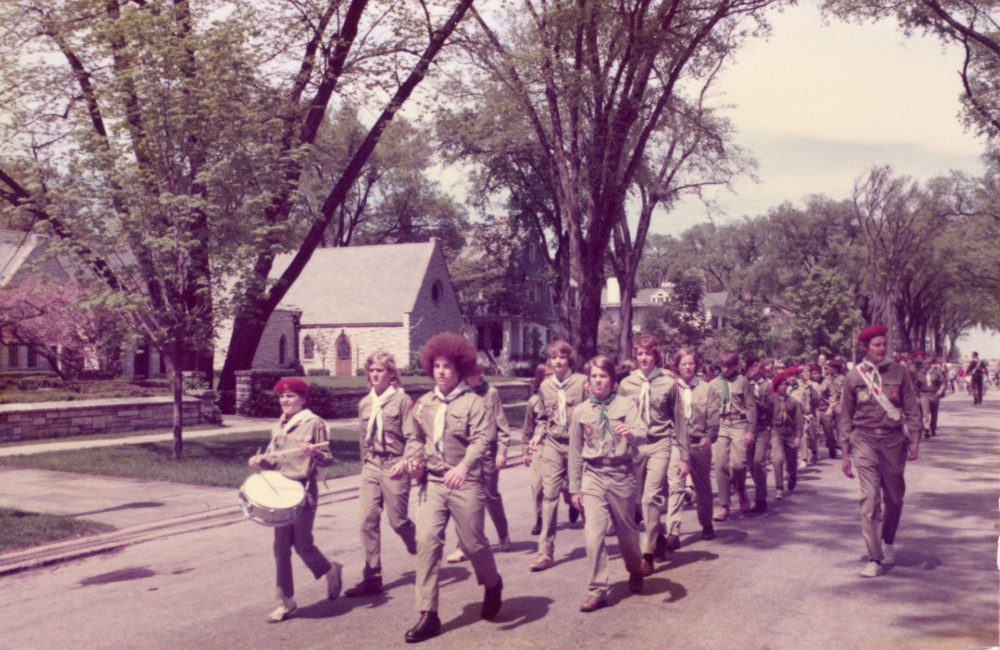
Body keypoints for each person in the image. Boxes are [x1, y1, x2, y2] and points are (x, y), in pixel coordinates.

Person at [401, 332, 503, 642]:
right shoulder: (424, 404)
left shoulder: (474, 403)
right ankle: (428, 614)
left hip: (465, 480)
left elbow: (483, 439)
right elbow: (415, 437)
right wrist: (413, 459)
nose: (441, 371)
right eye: (437, 366)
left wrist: (464, 466)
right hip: (432, 482)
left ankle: (492, 582)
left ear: (460, 368)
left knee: (473, 543)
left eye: (447, 366)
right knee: (428, 542)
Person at [248, 377, 341, 623]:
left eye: (290, 396)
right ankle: (286, 602)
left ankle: (330, 570)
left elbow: (328, 459)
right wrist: (261, 461)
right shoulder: (279, 424)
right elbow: (275, 459)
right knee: (280, 547)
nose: (285, 401)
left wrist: (316, 453)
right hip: (281, 490)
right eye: (281, 396)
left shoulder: (313, 423)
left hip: (304, 489)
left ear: (302, 398)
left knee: (302, 545)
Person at [840, 325, 920, 578]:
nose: (882, 348)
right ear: (865, 348)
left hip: (894, 442)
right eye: (876, 345)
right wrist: (844, 451)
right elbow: (845, 416)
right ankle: (874, 557)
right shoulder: (854, 376)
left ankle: (888, 541)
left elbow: (911, 408)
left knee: (894, 499)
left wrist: (915, 438)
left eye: (884, 344)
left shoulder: (899, 372)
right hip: (864, 441)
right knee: (870, 499)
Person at [568, 355, 647, 612]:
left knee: (626, 533)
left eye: (603, 376)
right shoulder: (581, 411)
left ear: (613, 381)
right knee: (593, 533)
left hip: (621, 474)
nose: (598, 381)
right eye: (594, 377)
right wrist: (575, 487)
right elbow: (575, 452)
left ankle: (635, 569)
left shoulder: (626, 404)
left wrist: (631, 433)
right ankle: (597, 589)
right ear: (588, 382)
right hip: (593, 475)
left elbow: (643, 431)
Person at [344, 351, 417, 597]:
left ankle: (421, 547)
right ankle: (372, 578)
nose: (375, 374)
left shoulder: (402, 401)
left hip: (395, 464)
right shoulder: (365, 403)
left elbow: (413, 437)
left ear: (391, 374)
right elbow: (362, 436)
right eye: (372, 370)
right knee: (367, 519)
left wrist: (406, 462)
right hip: (372, 465)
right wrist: (365, 461)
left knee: (398, 521)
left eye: (380, 370)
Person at [617, 334, 682, 573]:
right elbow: (619, 416)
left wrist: (683, 455)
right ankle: (660, 538)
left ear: (656, 356)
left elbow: (678, 421)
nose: (644, 358)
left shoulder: (668, 383)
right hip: (634, 447)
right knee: (635, 502)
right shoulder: (626, 385)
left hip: (660, 443)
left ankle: (647, 553)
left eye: (649, 354)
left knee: (650, 497)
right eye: (640, 354)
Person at [528, 340, 588, 572]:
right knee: (549, 494)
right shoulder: (545, 386)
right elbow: (543, 417)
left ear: (569, 359)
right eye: (554, 358)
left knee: (582, 495)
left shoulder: (582, 382)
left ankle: (595, 542)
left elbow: (592, 410)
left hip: (578, 445)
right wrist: (538, 434)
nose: (558, 361)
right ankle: (545, 551)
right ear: (549, 361)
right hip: (553, 443)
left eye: (562, 357)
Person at [447, 362, 512, 561]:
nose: (481, 376)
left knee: (490, 497)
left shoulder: (490, 393)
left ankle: (503, 535)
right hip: (465, 455)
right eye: (476, 372)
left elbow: (502, 425)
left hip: (488, 453)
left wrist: (502, 451)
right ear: (465, 375)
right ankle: (464, 545)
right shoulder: (457, 396)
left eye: (483, 372)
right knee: (466, 501)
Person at [672, 347, 720, 540]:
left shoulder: (707, 389)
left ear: (696, 365)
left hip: (698, 444)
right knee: (675, 487)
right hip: (676, 444)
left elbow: (714, 416)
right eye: (683, 364)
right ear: (677, 366)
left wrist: (709, 436)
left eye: (691, 363)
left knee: (703, 489)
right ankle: (672, 531)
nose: (687, 367)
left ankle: (706, 524)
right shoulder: (671, 388)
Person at [710, 350, 757, 521]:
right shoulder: (714, 383)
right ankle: (724, 505)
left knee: (738, 464)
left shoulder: (743, 382)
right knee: (721, 465)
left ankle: (741, 489)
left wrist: (751, 430)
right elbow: (711, 407)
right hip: (721, 424)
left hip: (739, 424)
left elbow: (751, 407)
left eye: (729, 367)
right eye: (722, 366)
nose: (725, 370)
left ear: (736, 366)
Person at [522, 364, 551, 536]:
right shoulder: (533, 401)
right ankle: (540, 519)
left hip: (560, 444)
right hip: (540, 446)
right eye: (546, 375)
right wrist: (525, 451)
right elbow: (527, 429)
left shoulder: (562, 397)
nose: (550, 378)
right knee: (537, 486)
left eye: (552, 374)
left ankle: (572, 504)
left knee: (567, 486)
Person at [769, 368, 804, 499]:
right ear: (776, 387)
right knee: (777, 459)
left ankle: (793, 475)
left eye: (785, 384)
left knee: (791, 461)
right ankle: (779, 488)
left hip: (791, 432)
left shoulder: (793, 401)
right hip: (777, 432)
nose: (784, 386)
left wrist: (798, 437)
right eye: (781, 384)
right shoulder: (772, 402)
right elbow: (768, 419)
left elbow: (799, 420)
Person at [745, 356, 772, 513]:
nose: (753, 368)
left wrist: (757, 405)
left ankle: (760, 499)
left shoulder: (767, 386)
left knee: (758, 462)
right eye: (750, 365)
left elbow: (771, 407)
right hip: (747, 429)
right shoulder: (744, 384)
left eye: (756, 365)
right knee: (749, 463)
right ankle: (760, 488)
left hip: (762, 428)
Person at [914, 353, 947, 439]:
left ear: (930, 365)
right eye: (924, 364)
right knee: (925, 413)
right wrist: (917, 397)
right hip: (924, 394)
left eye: (927, 364)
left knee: (934, 413)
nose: (926, 366)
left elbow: (943, 382)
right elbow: (915, 386)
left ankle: (933, 429)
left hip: (934, 394)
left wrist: (940, 391)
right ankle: (926, 429)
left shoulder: (936, 372)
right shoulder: (919, 374)